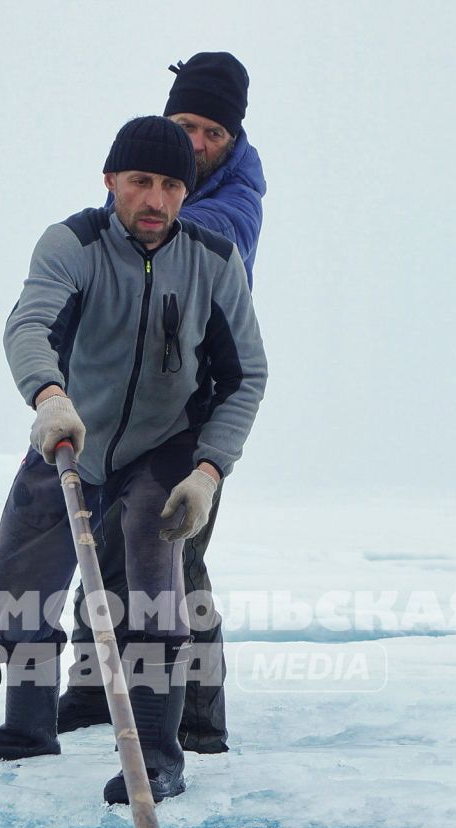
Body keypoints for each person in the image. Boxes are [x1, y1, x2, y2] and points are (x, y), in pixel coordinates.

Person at [0, 116, 267, 805]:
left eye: (171, 185)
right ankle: (28, 727)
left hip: (165, 448)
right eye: (140, 181)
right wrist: (50, 398)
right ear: (110, 181)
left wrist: (209, 472)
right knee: (15, 574)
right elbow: (29, 323)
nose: (154, 199)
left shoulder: (213, 259)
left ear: (186, 192)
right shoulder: (73, 244)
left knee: (152, 593)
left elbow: (247, 376)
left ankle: (157, 754)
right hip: (72, 435)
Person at [57, 52, 266, 754]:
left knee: (177, 560)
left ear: (234, 138)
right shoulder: (159, 183)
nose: (200, 143)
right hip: (121, 409)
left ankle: (198, 723)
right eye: (188, 126)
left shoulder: (230, 207)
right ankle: (92, 693)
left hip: (193, 415)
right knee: (108, 544)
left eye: (214, 132)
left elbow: (188, 258)